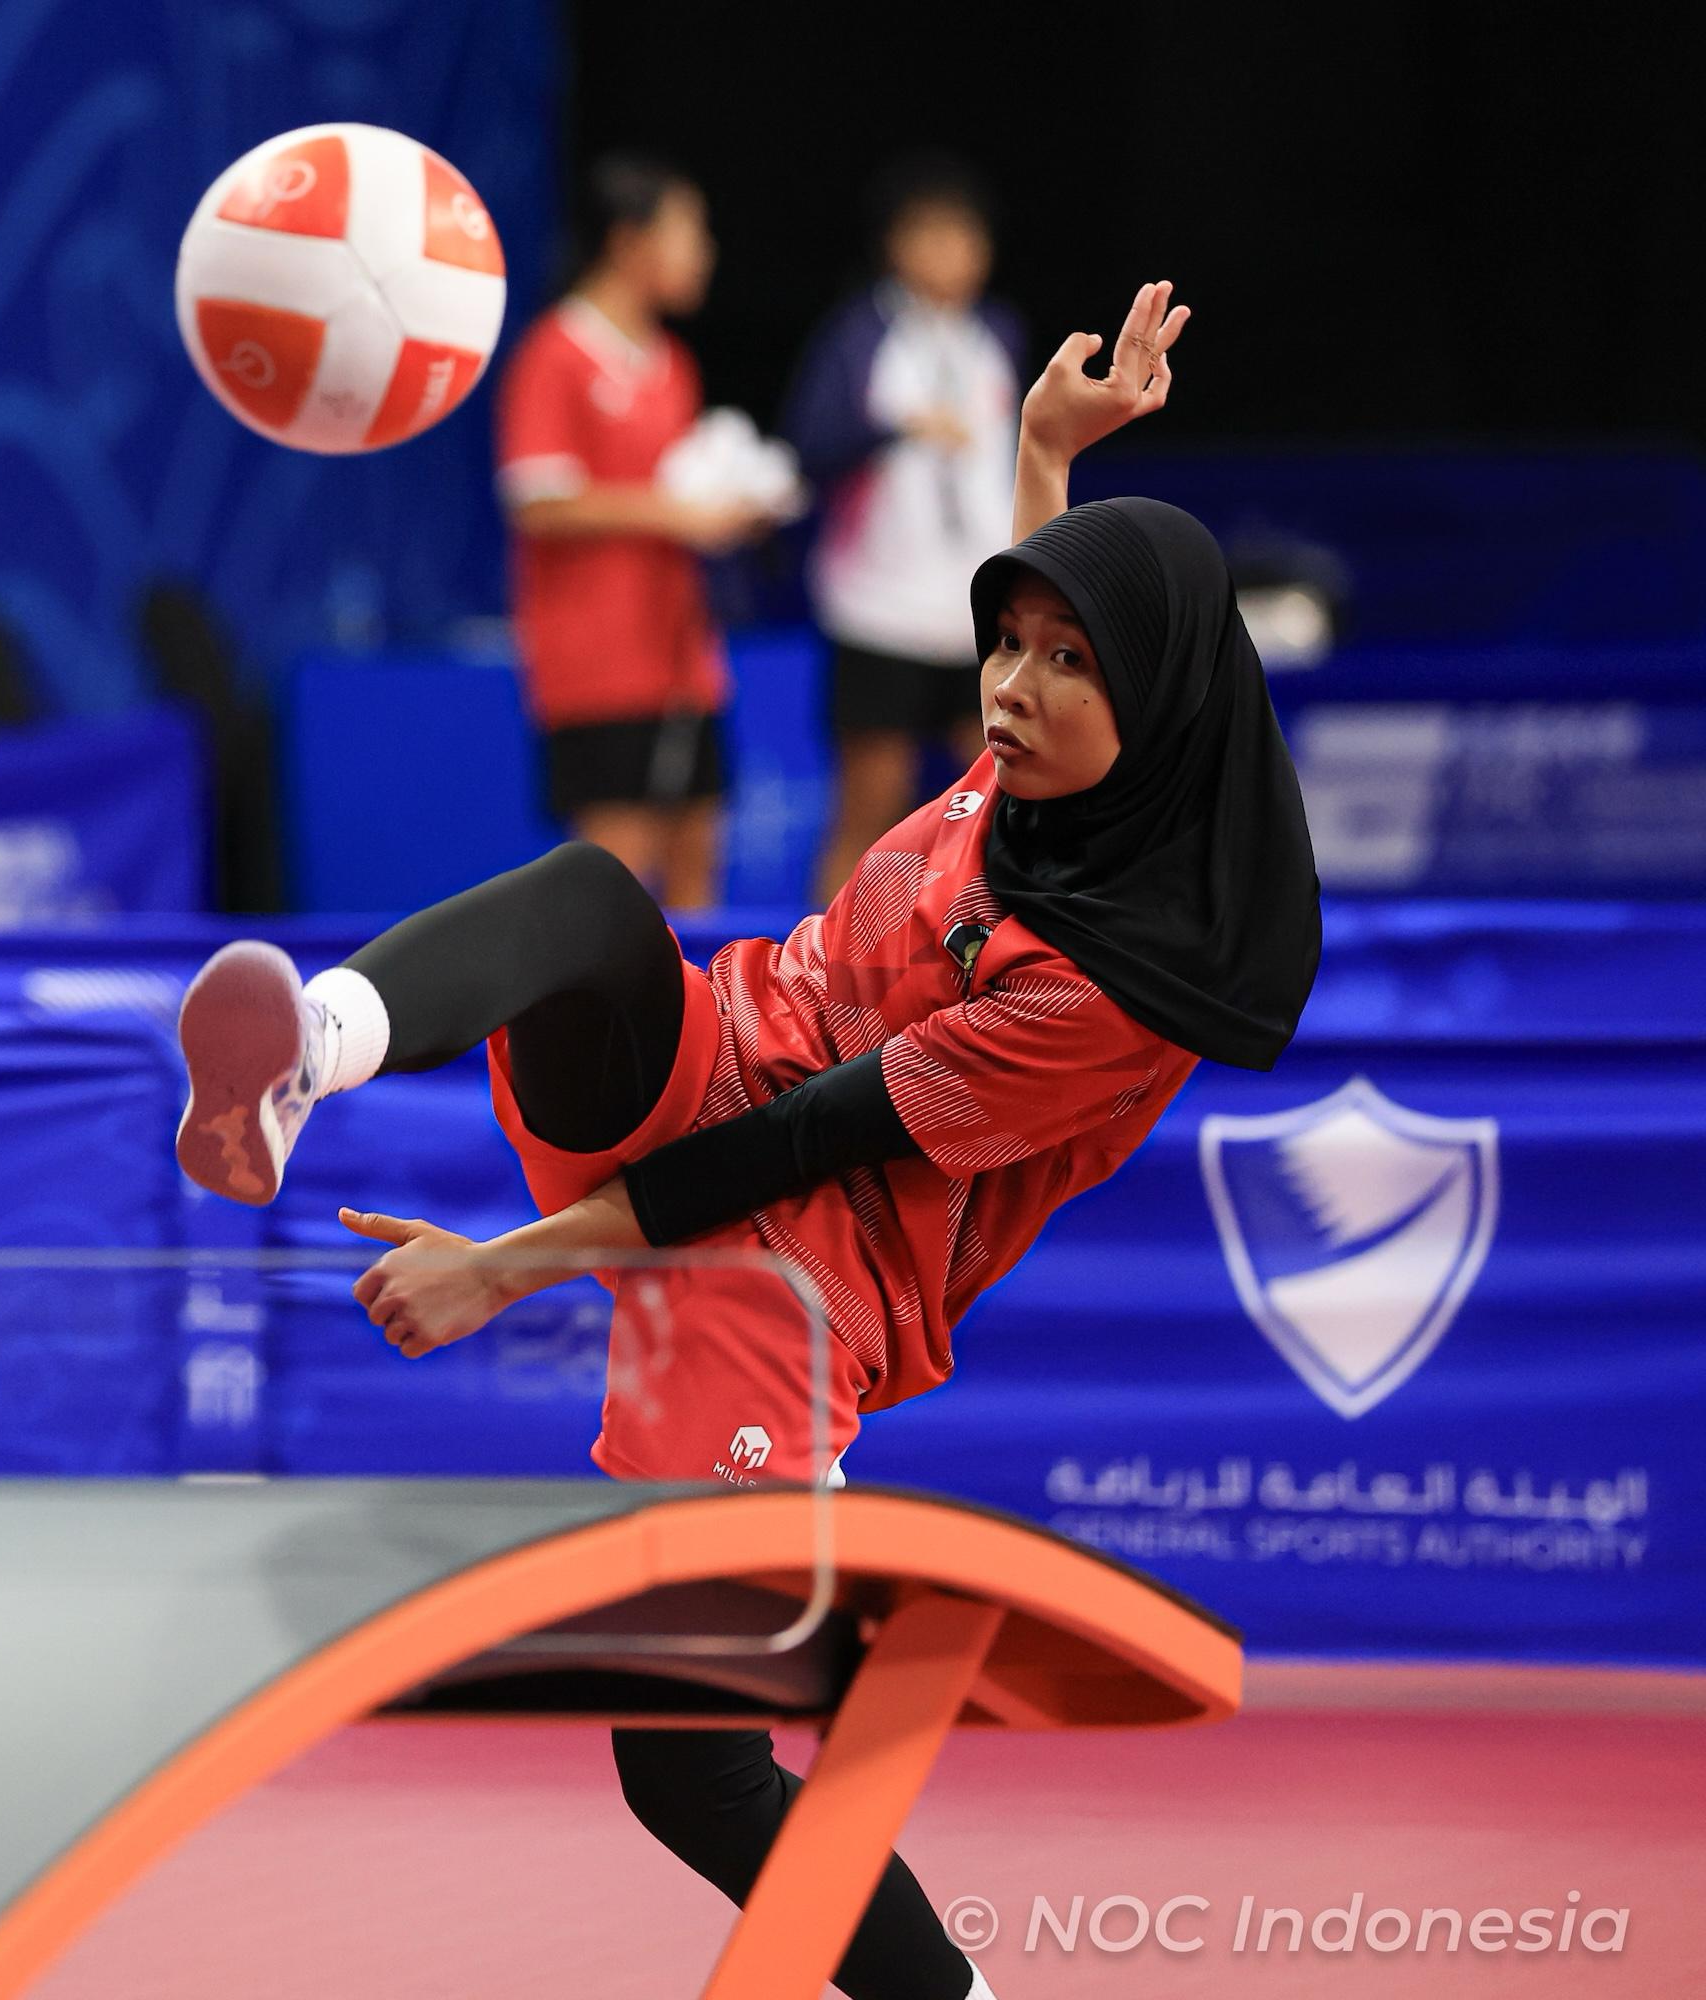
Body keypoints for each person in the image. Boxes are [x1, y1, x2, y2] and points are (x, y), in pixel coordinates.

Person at [175, 282, 1319, 2000]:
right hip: (704, 1048)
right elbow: (1061, 642)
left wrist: (502, 1270)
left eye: (1064, 667)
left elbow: (779, 1160)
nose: (1007, 690)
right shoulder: (1045, 783)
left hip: (786, 1261)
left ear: (1151, 715)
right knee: (588, 898)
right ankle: (308, 1054)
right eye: (1005, 644)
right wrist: (1039, 453)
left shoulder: (1103, 987)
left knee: (688, 1770)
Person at [494, 156, 785, 911]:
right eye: (691, 231)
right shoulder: (554, 354)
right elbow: (537, 501)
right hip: (596, 666)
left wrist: (732, 505)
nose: (705, 251)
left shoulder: (672, 363)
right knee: (611, 890)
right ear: (629, 241)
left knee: (698, 874)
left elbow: (682, 492)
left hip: (686, 658)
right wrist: (673, 513)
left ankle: (695, 1034)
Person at [784, 158, 1024, 903]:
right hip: (880, 609)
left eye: (966, 238)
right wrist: (890, 430)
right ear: (898, 246)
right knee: (870, 808)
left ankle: (989, 973)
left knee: (1002, 806)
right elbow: (809, 444)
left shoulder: (999, 335)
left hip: (981, 618)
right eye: (933, 237)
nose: (952, 254)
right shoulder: (860, 336)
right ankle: (814, 989)